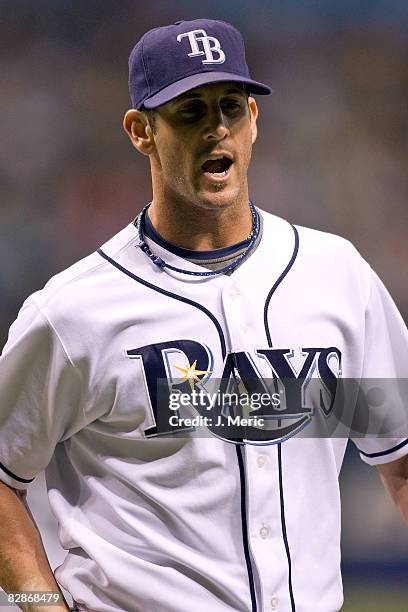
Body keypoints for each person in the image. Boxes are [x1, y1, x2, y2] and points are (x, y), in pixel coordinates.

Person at [0, 18, 407, 612]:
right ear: (141, 131)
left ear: (254, 122)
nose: (217, 128)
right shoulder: (75, 311)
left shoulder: (335, 277)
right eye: (190, 111)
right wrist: (31, 604)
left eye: (231, 106)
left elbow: (399, 453)